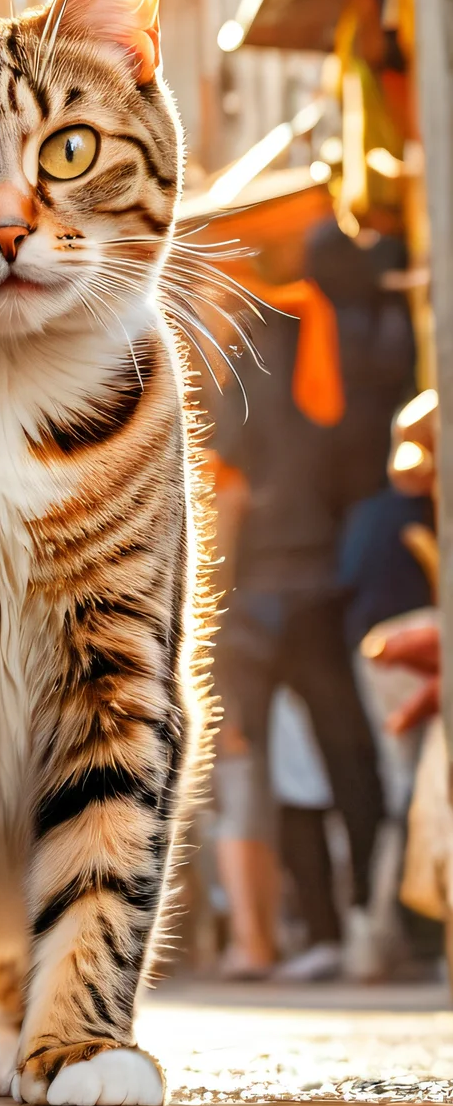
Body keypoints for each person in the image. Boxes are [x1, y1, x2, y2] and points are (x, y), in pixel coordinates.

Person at [209, 221, 389, 980]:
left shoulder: (249, 350)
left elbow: (231, 484)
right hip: (334, 576)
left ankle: (313, 932)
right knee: (349, 758)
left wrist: (209, 587)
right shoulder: (352, 331)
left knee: (278, 768)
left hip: (261, 594)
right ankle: (375, 924)